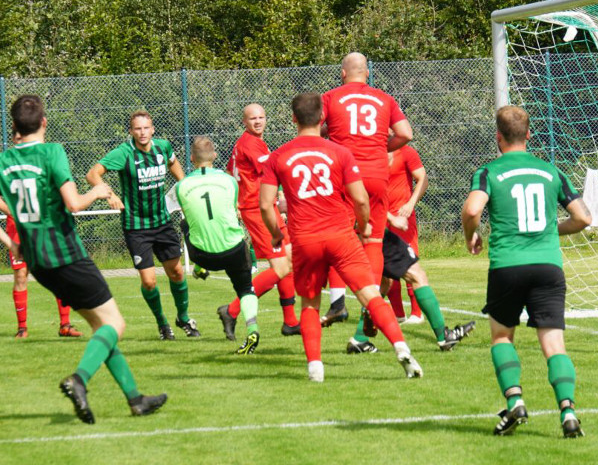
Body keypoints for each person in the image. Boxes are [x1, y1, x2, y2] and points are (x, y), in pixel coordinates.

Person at [0, 95, 166, 424]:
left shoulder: (0, 162)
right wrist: (99, 192)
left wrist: (12, 243)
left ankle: (135, 399)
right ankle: (79, 379)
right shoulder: (52, 152)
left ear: (15, 126)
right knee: (115, 325)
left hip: (37, 259)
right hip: (64, 252)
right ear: (44, 122)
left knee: (98, 327)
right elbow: (74, 204)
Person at [260, 92, 422, 382]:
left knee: (309, 303)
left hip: (305, 239)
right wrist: (364, 225)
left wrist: (275, 235)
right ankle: (401, 348)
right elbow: (360, 199)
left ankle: (315, 369)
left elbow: (265, 204)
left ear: (293, 119)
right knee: (370, 294)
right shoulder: (340, 152)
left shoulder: (278, 156)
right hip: (340, 235)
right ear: (322, 117)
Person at [461, 105, 591, 439]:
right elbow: (584, 218)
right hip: (548, 266)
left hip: (508, 265)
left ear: (498, 137)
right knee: (555, 345)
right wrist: (551, 230)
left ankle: (515, 400)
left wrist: (470, 235)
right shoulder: (551, 171)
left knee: (502, 336)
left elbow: (473, 209)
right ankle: (568, 413)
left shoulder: (489, 171)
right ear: (529, 135)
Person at [319, 52, 413, 326]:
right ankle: (370, 308)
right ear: (367, 73)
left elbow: (313, 126)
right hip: (376, 175)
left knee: (339, 236)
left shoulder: (332, 96)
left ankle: (337, 303)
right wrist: (379, 148)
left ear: (343, 73)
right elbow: (406, 133)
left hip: (346, 175)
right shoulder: (384, 98)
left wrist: (329, 135)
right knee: (373, 241)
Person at [88, 111, 196, 339]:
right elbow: (93, 174)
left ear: (153, 129)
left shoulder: (163, 147)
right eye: (137, 129)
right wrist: (110, 195)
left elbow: (173, 163)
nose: (142, 132)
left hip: (162, 221)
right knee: (149, 281)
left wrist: (184, 186)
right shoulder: (124, 153)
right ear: (131, 131)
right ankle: (162, 324)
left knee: (176, 272)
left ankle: (183, 318)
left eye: (146, 128)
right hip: (136, 226)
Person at [218, 103, 299, 340]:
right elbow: (274, 170)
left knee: (289, 257)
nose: (258, 121)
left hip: (264, 206)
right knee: (281, 266)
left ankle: (290, 321)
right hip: (258, 209)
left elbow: (234, 172)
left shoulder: (248, 143)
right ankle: (231, 311)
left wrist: (278, 195)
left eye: (261, 117)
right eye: (253, 118)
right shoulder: (250, 143)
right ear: (244, 121)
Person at [176, 137, 262, 354]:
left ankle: (197, 267)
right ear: (214, 156)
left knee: (185, 223)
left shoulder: (182, 186)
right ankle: (252, 327)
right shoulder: (229, 181)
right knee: (245, 289)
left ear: (192, 159)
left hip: (202, 254)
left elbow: (191, 217)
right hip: (232, 249)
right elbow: (232, 210)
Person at [346, 224, 476, 354]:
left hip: (363, 234)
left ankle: (360, 338)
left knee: (385, 282)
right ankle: (444, 336)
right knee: (417, 275)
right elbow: (365, 204)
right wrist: (393, 218)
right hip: (373, 235)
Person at [0, 206, 82, 339]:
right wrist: (9, 209)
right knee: (21, 276)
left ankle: (65, 325)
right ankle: (22, 328)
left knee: (59, 271)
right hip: (18, 226)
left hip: (44, 222)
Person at [386, 143, 426, 322]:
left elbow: (422, 178)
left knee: (409, 262)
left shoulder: (406, 151)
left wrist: (410, 204)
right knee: (385, 267)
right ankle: (398, 314)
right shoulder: (372, 153)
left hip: (403, 218)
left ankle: (417, 313)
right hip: (382, 217)